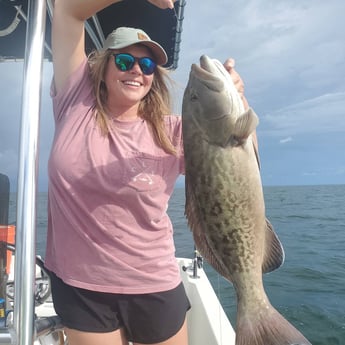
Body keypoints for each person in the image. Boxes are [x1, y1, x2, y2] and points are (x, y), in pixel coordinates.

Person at [45, 1, 250, 344]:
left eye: (147, 64)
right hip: (81, 286)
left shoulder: (174, 131)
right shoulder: (74, 100)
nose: (136, 70)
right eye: (124, 61)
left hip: (153, 282)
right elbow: (67, 10)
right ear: (102, 66)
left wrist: (237, 104)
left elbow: (236, 158)